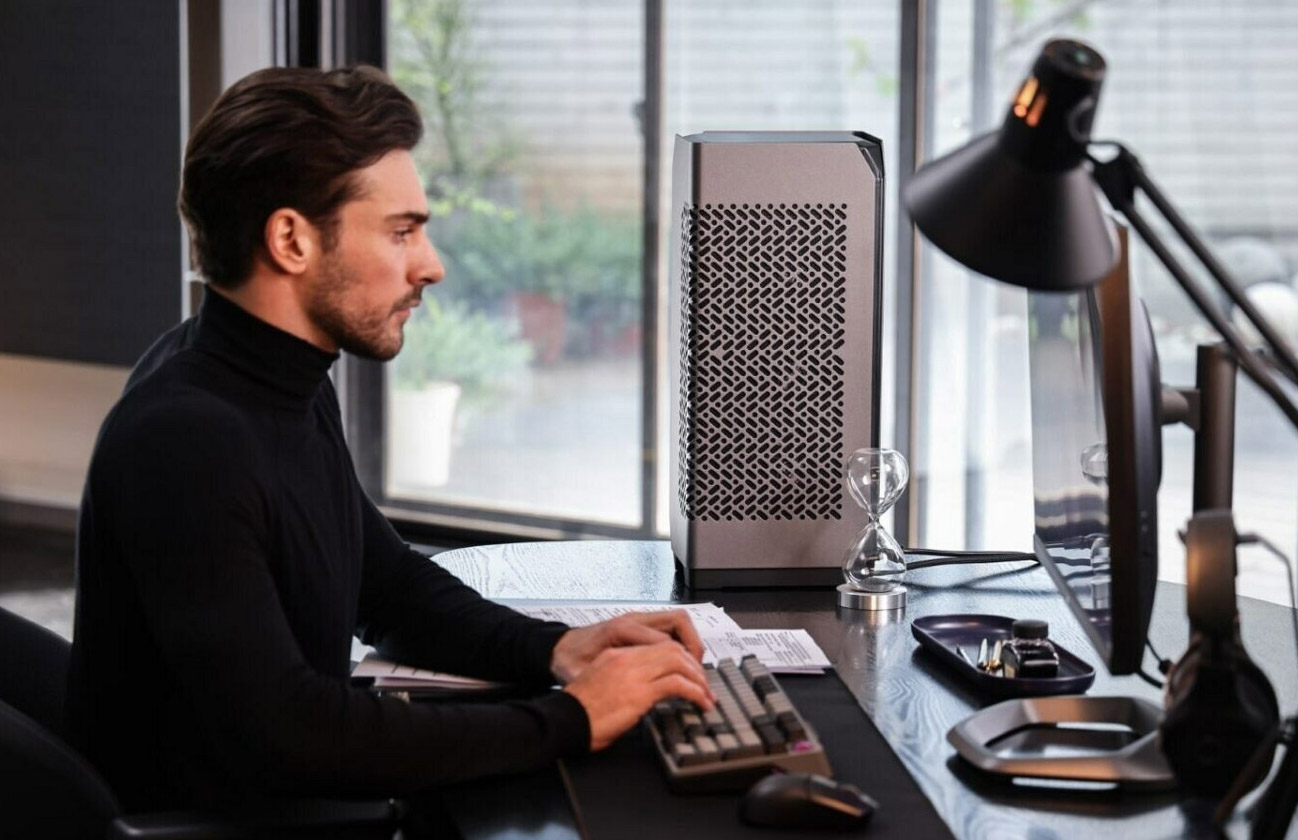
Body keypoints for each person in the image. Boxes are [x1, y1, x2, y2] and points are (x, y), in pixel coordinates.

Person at [66, 65, 713, 815]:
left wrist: (556, 650)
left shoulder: (272, 378)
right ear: (291, 240)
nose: (430, 266)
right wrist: (572, 719)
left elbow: (388, 586)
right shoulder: (186, 440)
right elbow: (291, 733)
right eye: (401, 231)